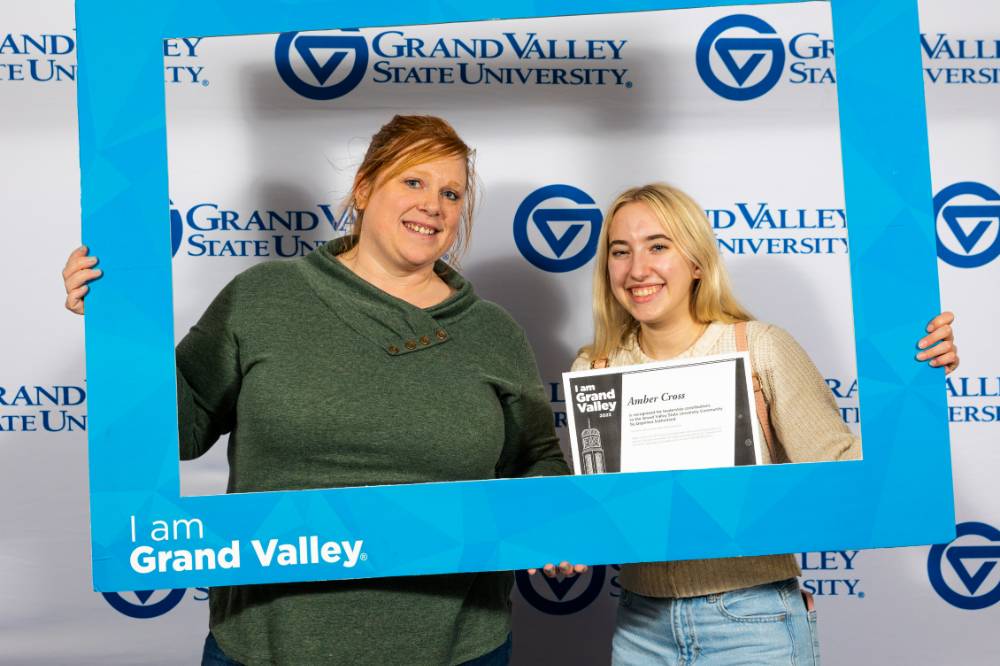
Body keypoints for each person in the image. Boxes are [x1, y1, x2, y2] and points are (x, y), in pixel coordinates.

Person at [63, 115, 575, 666]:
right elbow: (178, 433)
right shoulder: (262, 298)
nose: (433, 204)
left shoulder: (493, 332)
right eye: (413, 181)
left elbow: (537, 459)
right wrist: (120, 331)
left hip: (455, 647)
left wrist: (558, 519)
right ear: (364, 188)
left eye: (451, 193)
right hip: (268, 645)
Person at [572, 182, 959, 666]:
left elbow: (845, 471)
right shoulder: (595, 369)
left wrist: (916, 384)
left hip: (751, 621)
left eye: (658, 246)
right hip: (640, 627)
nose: (637, 269)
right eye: (620, 251)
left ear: (696, 262)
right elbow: (593, 511)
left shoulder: (760, 348)